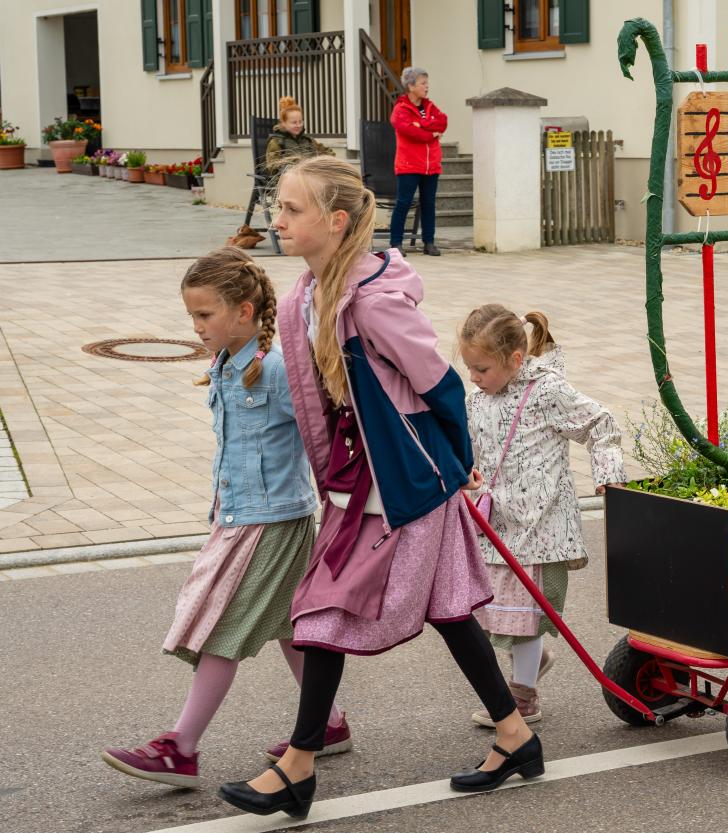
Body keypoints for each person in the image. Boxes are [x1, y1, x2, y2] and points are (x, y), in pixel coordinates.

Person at [217, 157, 541, 821]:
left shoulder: (372, 300)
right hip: (359, 480)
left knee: (324, 611)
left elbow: (440, 383)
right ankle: (515, 735)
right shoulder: (306, 298)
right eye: (278, 207)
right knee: (450, 608)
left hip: (406, 482)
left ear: (335, 222)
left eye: (291, 209)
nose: (277, 221)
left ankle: (299, 766)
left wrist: (458, 460)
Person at [101, 247, 349, 788]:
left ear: (243, 310)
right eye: (191, 315)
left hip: (273, 521)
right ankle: (327, 725)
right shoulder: (224, 365)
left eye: (204, 314)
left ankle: (180, 749)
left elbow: (325, 435)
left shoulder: (279, 370)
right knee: (289, 627)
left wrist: (343, 506)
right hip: (241, 516)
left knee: (223, 626)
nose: (196, 326)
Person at [459, 305, 626, 726]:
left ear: (516, 360)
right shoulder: (477, 399)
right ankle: (529, 662)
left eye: (481, 368)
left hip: (540, 525)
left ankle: (524, 697)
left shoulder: (548, 392)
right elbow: (472, 446)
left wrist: (608, 475)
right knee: (496, 611)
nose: (474, 378)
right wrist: (466, 471)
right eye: (470, 369)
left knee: (525, 615)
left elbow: (600, 423)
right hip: (494, 521)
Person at [389, 66, 447, 256]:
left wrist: (422, 125)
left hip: (431, 166)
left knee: (428, 203)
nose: (427, 87)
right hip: (409, 165)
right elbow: (412, 133)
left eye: (427, 83)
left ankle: (429, 242)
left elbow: (443, 122)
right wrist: (431, 133)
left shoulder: (430, 106)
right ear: (411, 86)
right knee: (403, 203)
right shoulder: (400, 109)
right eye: (423, 83)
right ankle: (396, 243)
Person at [264, 96, 335, 185]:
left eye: (300, 121)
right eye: (294, 122)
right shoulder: (276, 142)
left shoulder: (308, 140)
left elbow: (329, 152)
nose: (298, 125)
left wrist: (321, 163)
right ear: (283, 123)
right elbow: (273, 167)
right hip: (289, 184)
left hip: (311, 180)